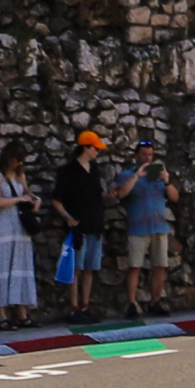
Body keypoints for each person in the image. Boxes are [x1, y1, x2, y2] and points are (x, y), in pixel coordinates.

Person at [113, 139, 181, 317]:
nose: (147, 158)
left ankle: (155, 301)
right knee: (135, 266)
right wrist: (137, 176)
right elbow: (120, 194)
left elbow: (174, 197)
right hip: (137, 228)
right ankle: (132, 303)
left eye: (150, 154)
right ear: (136, 156)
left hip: (159, 227)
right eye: (144, 154)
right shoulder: (127, 175)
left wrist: (167, 182)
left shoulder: (158, 175)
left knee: (160, 266)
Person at [51, 130, 109, 320]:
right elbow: (56, 200)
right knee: (76, 268)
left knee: (89, 268)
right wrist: (67, 217)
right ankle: (74, 307)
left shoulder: (94, 170)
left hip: (95, 224)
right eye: (96, 149)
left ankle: (85, 305)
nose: (97, 153)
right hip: (78, 226)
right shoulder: (67, 172)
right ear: (86, 148)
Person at [0, 142, 41, 330]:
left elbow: (27, 193)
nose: (19, 163)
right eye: (17, 159)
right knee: (2, 266)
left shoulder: (19, 175)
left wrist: (34, 200)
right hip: (3, 226)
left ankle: (21, 313)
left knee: (21, 264)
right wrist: (19, 199)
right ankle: (2, 315)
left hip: (19, 227)